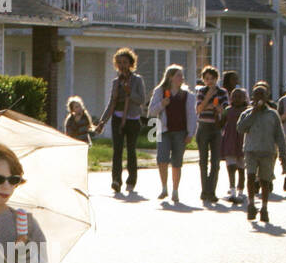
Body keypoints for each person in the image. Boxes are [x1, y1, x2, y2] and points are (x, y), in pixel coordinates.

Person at [94, 48, 146, 195]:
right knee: (117, 150)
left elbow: (141, 100)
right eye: (119, 63)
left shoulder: (137, 80)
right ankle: (116, 180)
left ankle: (131, 180)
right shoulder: (116, 82)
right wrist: (102, 121)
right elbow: (112, 103)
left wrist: (130, 92)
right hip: (118, 118)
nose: (122, 65)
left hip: (133, 119)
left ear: (131, 63)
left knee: (131, 150)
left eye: (125, 62)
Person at [236, 81, 286, 223]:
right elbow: (240, 128)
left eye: (262, 95)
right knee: (251, 177)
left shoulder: (273, 114)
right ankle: (251, 204)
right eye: (256, 95)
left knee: (265, 180)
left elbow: (279, 134)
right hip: (251, 150)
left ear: (267, 97)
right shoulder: (247, 113)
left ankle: (264, 207)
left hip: (267, 151)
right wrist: (253, 113)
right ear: (252, 97)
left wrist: (283, 152)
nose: (259, 98)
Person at [148, 64, 191, 203]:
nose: (181, 78)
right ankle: (164, 188)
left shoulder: (187, 95)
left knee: (177, 162)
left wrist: (191, 133)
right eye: (178, 75)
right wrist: (162, 104)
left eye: (182, 75)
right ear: (171, 77)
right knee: (162, 159)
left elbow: (191, 115)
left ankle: (175, 190)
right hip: (163, 130)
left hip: (180, 131)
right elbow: (151, 112)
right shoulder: (160, 91)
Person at [194, 66, 226, 204]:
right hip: (203, 126)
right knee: (203, 161)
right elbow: (199, 108)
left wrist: (216, 108)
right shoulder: (201, 91)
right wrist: (208, 98)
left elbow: (224, 109)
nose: (210, 81)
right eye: (207, 79)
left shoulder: (222, 92)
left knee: (215, 161)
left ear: (216, 78)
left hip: (216, 127)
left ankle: (211, 191)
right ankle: (204, 190)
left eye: (212, 78)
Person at [219, 86, 247, 204]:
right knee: (231, 167)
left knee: (241, 168)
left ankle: (241, 192)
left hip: (243, 141)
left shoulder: (247, 110)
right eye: (234, 96)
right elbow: (220, 123)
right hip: (230, 140)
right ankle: (232, 190)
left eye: (240, 96)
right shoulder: (227, 110)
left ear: (244, 98)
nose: (236, 99)